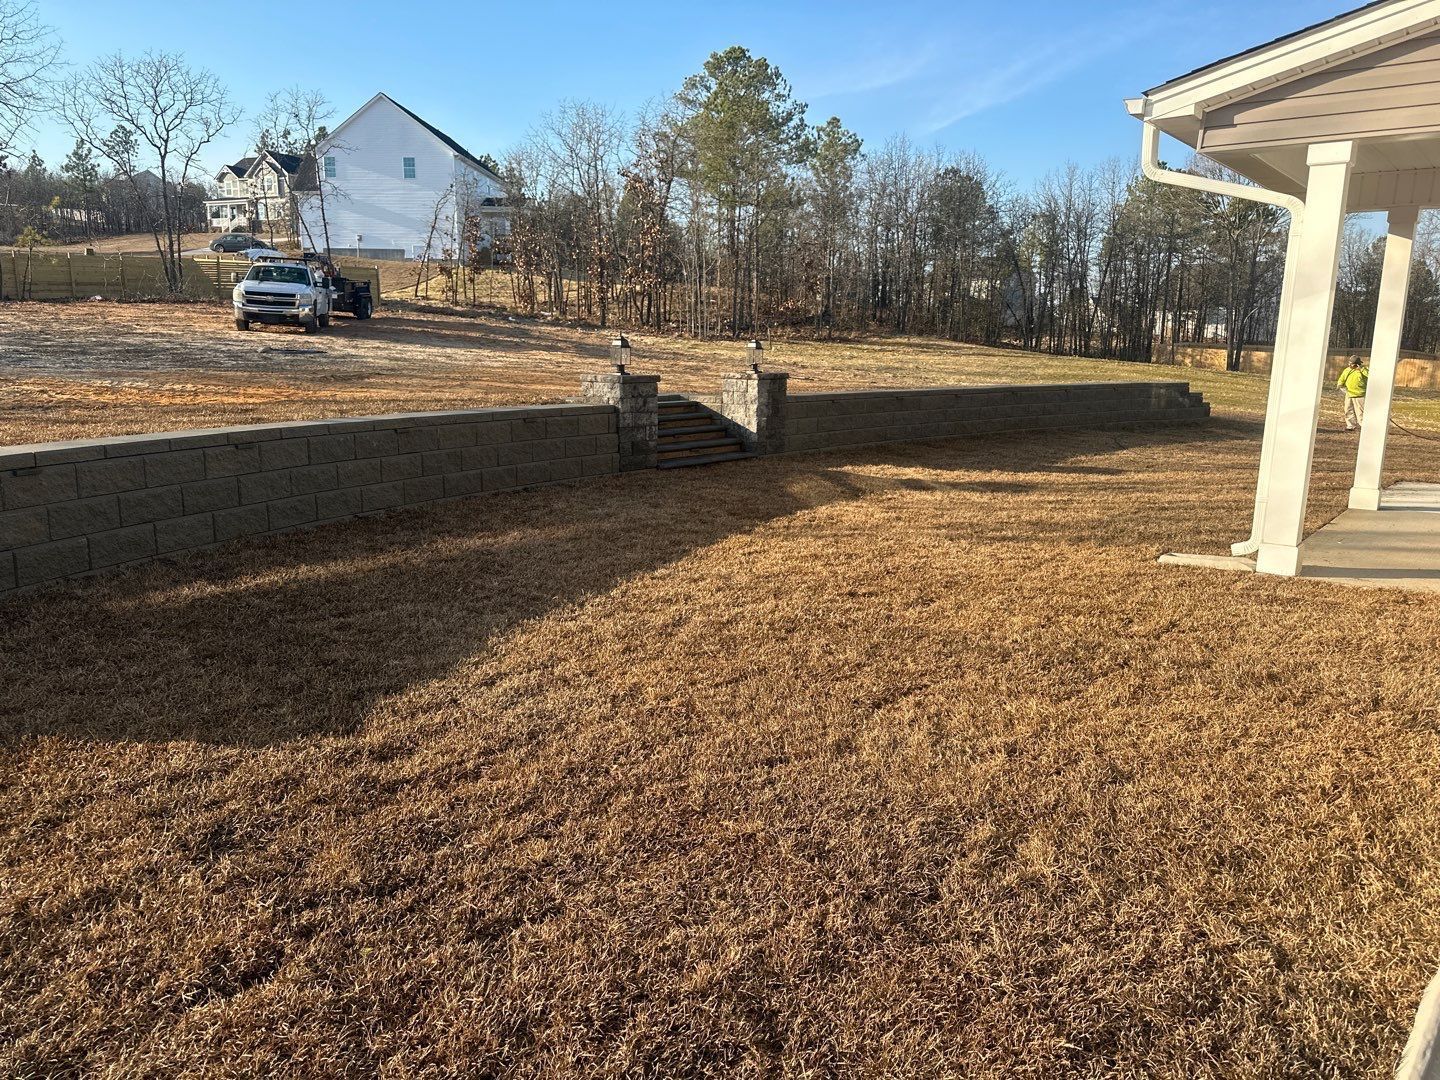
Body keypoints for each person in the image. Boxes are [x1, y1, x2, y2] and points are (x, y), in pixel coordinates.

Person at [1336, 355, 1369, 432]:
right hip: (1349, 393)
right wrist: (1340, 384)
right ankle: (1351, 425)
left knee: (1360, 412)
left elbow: (1370, 375)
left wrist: (1361, 369)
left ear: (1357, 364)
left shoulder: (1364, 370)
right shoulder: (1347, 370)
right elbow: (1342, 378)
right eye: (1349, 363)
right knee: (1348, 410)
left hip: (1360, 394)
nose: (1350, 365)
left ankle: (1364, 426)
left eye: (1352, 364)